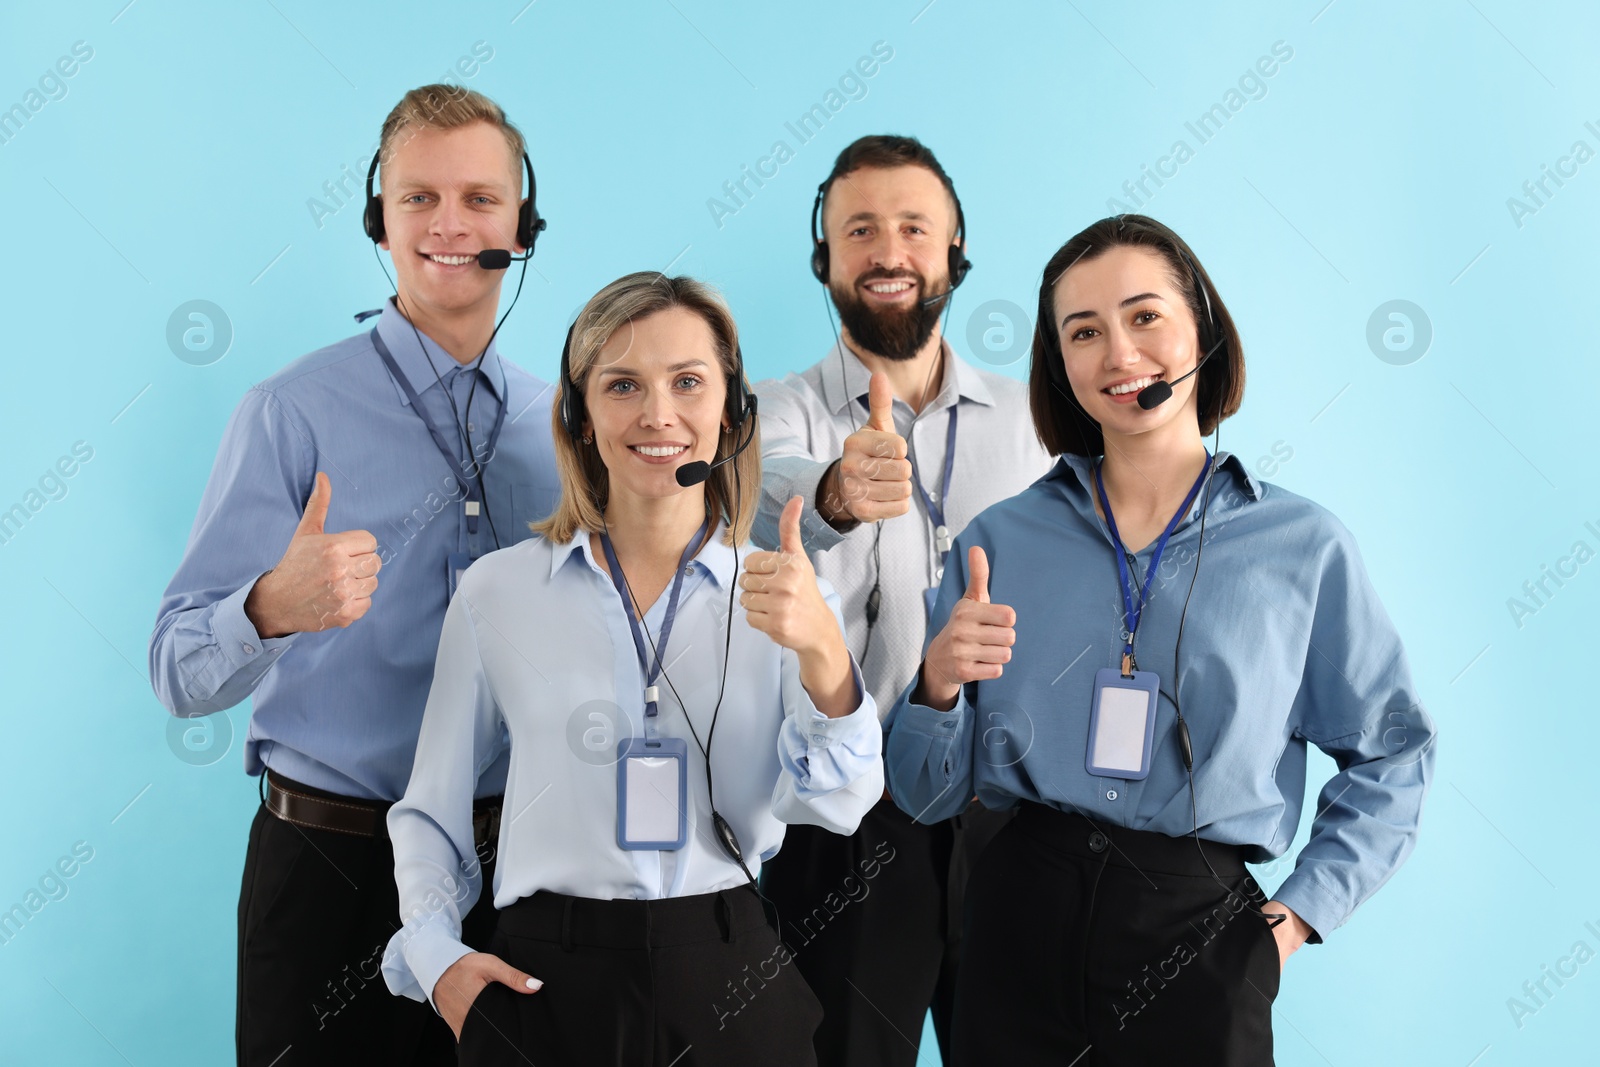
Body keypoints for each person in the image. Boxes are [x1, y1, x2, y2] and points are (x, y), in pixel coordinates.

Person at [886, 214, 1438, 1066]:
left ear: (1203, 333)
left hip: (1198, 926)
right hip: (1014, 919)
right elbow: (926, 797)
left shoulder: (1302, 547)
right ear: (1060, 365)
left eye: (1144, 317)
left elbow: (1394, 754)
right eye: (1084, 331)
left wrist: (1291, 922)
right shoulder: (1000, 541)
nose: (1118, 353)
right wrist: (936, 687)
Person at [147, 85, 560, 1065]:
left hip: (517, 877)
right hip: (330, 877)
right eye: (417, 198)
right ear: (379, 219)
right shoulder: (289, 413)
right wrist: (264, 610)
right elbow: (176, 670)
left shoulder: (567, 425)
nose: (449, 223)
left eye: (478, 198)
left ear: (523, 223)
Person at [381, 272, 884, 1066]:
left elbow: (843, 803)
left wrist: (823, 650)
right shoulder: (498, 592)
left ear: (732, 411)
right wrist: (438, 961)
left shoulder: (787, 590)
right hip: (546, 981)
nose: (658, 415)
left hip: (728, 967)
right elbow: (430, 811)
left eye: (688, 381)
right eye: (622, 385)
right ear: (580, 417)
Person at [753, 135, 1054, 1066]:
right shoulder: (772, 411)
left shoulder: (1038, 421)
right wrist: (837, 492)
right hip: (843, 828)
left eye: (914, 227)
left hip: (1011, 827)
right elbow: (760, 502)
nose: (889, 252)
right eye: (860, 230)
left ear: (954, 252)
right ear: (825, 259)